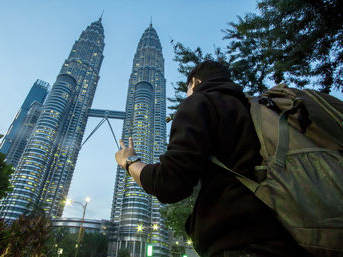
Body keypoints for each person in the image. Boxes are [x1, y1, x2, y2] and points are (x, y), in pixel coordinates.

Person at [115, 61, 311, 257]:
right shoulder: (256, 109)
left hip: (239, 244)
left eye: (188, 89)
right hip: (293, 237)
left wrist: (130, 161)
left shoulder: (200, 102)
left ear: (196, 81)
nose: (187, 95)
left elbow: (169, 182)